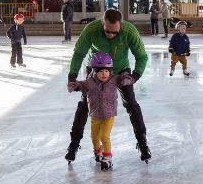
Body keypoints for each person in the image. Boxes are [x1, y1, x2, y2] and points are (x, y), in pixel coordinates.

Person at [65, 9, 151, 164]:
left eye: (115, 33)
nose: (111, 35)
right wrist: (72, 77)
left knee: (131, 103)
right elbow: (79, 53)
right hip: (96, 70)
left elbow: (142, 56)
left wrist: (134, 77)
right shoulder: (91, 29)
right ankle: (74, 143)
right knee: (85, 105)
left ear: (121, 26)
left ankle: (142, 141)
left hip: (120, 70)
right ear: (102, 23)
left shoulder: (129, 31)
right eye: (107, 32)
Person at [68, 52, 134, 170]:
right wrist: (74, 86)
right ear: (94, 71)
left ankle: (107, 157)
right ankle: (98, 151)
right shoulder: (90, 82)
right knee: (94, 136)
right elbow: (81, 85)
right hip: (95, 115)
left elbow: (124, 76)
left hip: (109, 115)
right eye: (101, 71)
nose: (104, 74)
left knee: (104, 136)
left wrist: (127, 78)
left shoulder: (114, 80)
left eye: (107, 71)